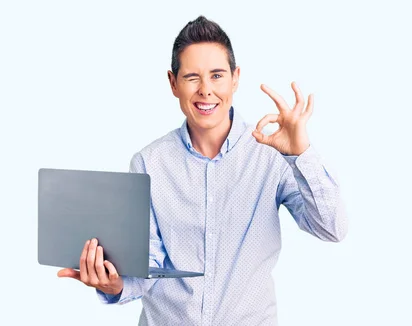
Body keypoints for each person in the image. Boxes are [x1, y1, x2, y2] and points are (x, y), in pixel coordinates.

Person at [57, 15, 348, 325]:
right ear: (173, 83)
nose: (206, 90)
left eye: (217, 75)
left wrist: (300, 154)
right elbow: (150, 264)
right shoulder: (148, 162)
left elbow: (331, 228)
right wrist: (113, 285)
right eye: (192, 77)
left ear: (236, 79)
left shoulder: (271, 154)